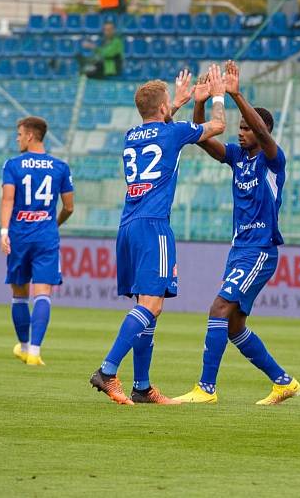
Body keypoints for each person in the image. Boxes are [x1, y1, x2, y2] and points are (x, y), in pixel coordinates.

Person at [89, 66, 226, 405]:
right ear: (164, 109)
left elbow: (157, 126)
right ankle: (107, 371)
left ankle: (142, 387)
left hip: (128, 225)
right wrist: (217, 94)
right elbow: (218, 126)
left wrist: (176, 101)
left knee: (149, 306)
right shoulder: (173, 132)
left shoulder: (130, 135)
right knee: (151, 305)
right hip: (153, 226)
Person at [174, 61, 300, 406]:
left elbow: (262, 133)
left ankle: (206, 388)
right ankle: (283, 382)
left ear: (260, 132)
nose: (241, 132)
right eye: (240, 128)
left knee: (218, 308)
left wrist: (236, 94)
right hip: (239, 249)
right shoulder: (237, 157)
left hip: (261, 249)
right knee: (233, 326)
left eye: (247, 128)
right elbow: (202, 139)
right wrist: (200, 102)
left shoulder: (273, 159)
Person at [0, 116, 74, 366]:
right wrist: (54, 223)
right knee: (43, 293)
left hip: (19, 235)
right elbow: (70, 207)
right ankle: (34, 351)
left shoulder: (13, 165)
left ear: (30, 136)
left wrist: (3, 232)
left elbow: (8, 200)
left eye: (19, 134)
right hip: (46, 236)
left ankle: (22, 346)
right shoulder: (60, 167)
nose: (18, 138)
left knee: (19, 294)